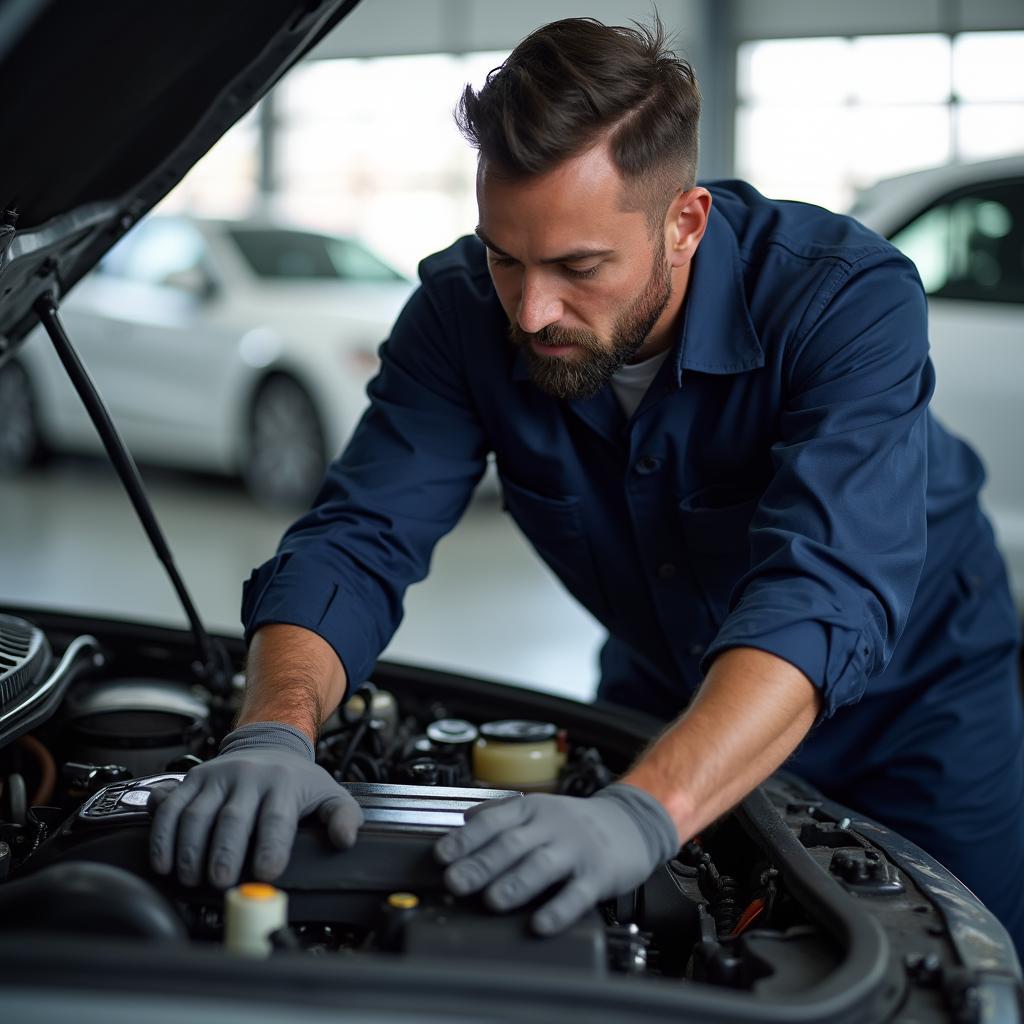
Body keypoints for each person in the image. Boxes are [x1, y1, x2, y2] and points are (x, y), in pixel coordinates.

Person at [148, 17, 1023, 952]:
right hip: (664, 688)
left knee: (955, 970)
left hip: (918, 713)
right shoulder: (462, 314)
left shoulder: (842, 299)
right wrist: (275, 729)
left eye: (579, 268)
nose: (532, 310)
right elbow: (359, 535)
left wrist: (642, 813)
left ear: (684, 223)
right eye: (506, 256)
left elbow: (828, 587)